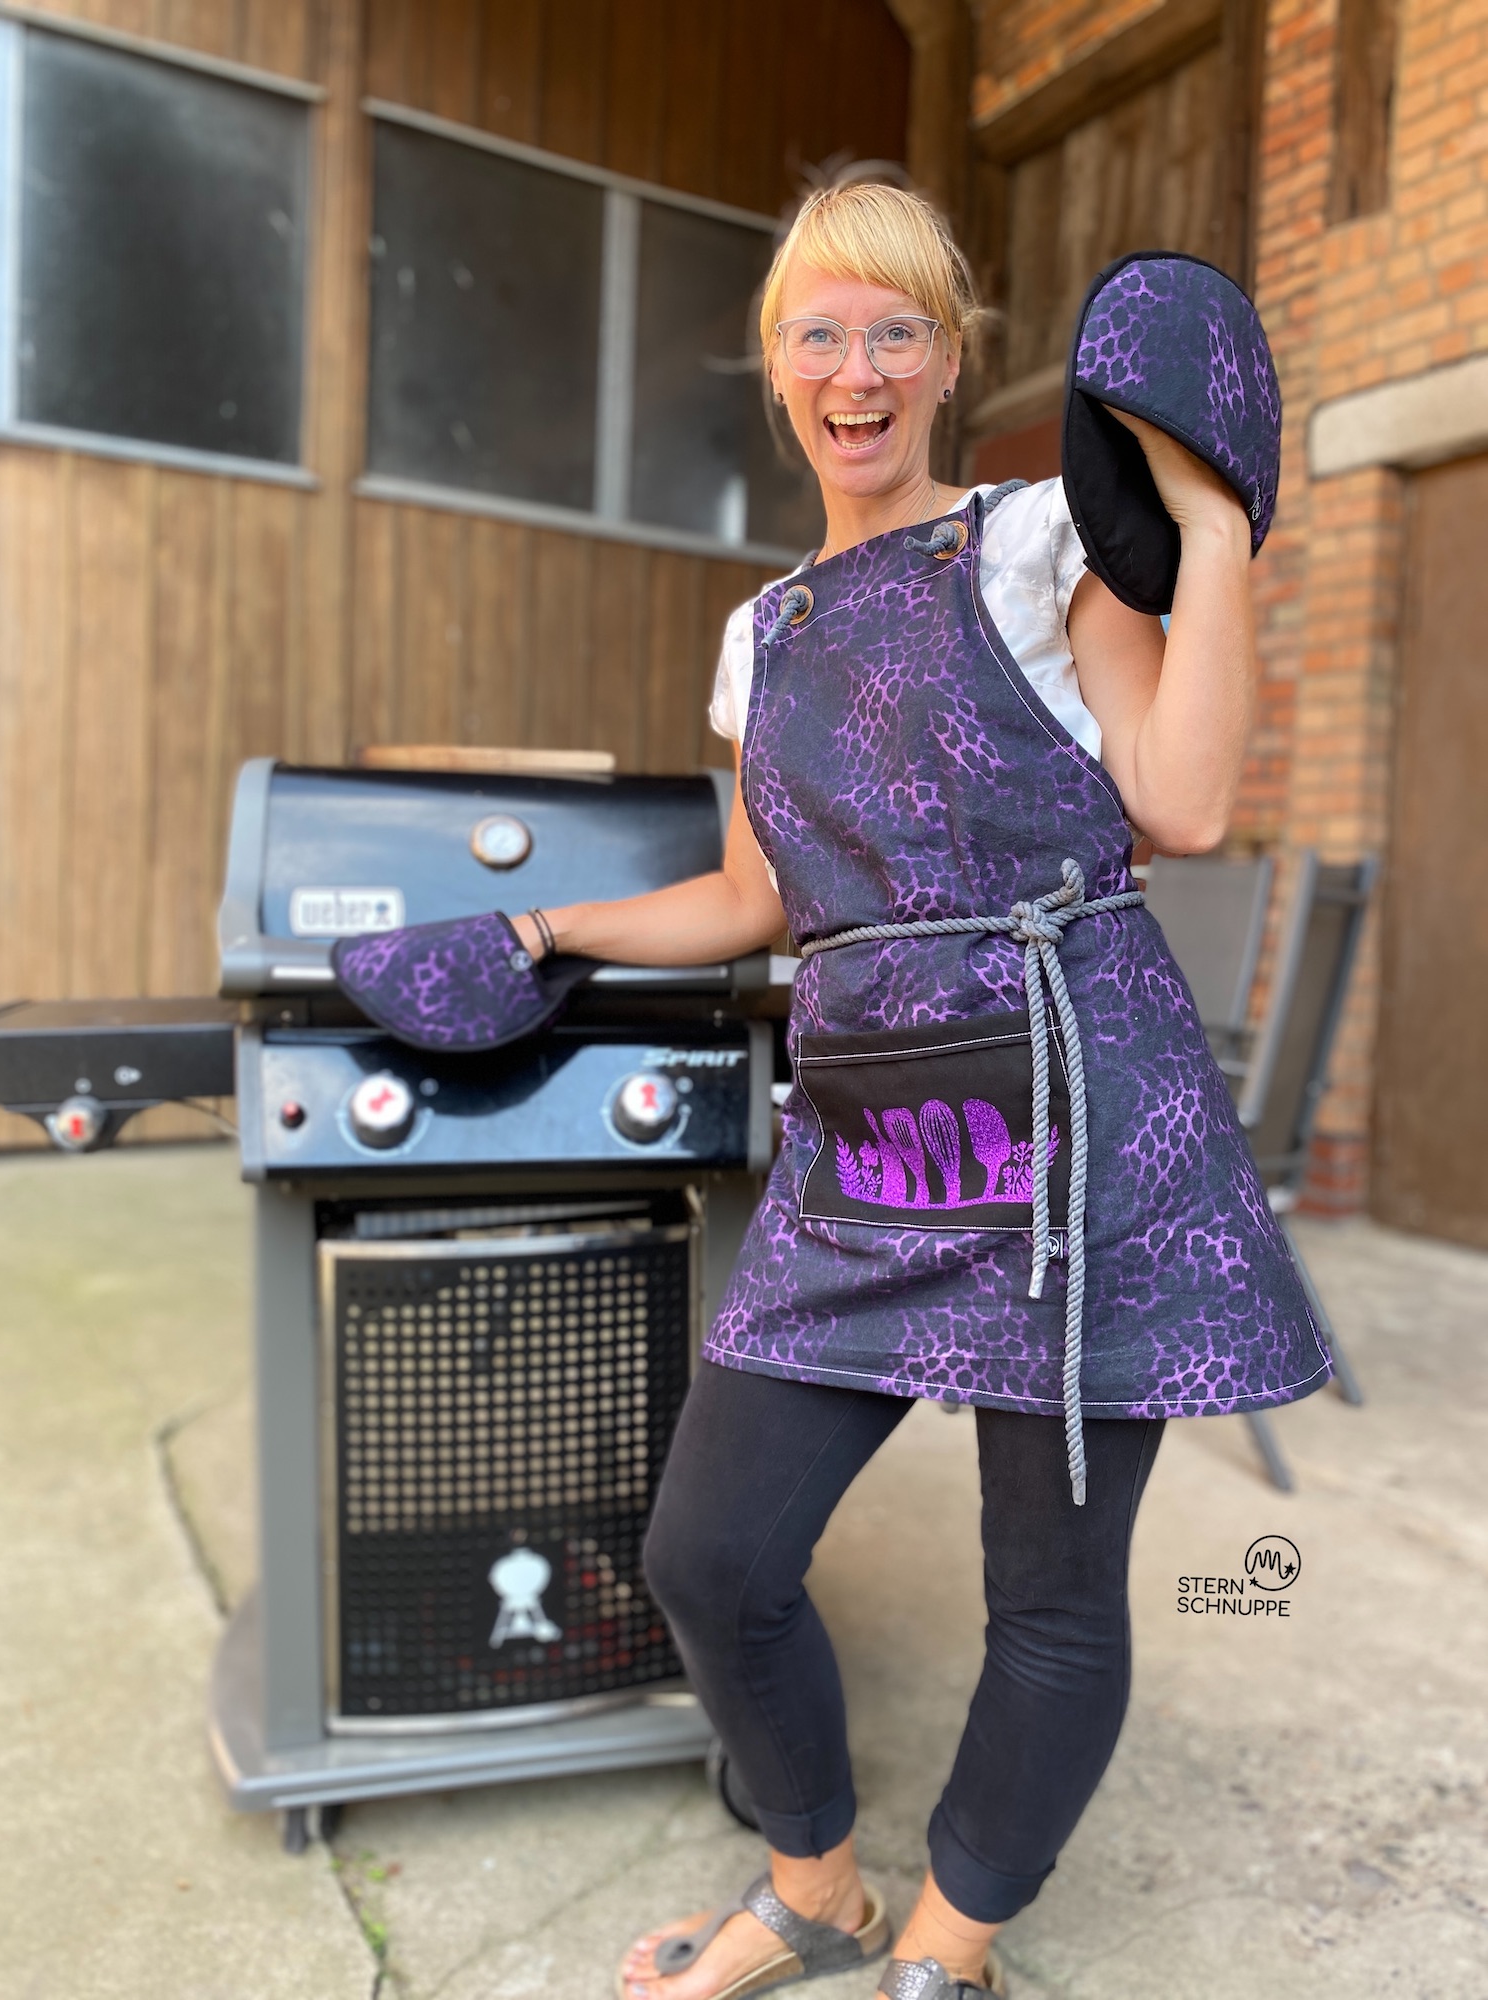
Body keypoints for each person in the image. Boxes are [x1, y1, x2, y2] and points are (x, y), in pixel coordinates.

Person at [501, 185, 1330, 2000]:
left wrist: (1210, 524)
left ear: (949, 362)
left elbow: (1184, 801)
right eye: (820, 332)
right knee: (711, 1553)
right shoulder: (765, 630)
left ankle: (949, 1947)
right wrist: (544, 930)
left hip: (1077, 1119)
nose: (856, 368)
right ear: (777, 369)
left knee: (1049, 1594)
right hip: (873, 1132)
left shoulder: (1038, 542)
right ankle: (818, 1888)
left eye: (897, 331)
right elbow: (755, 899)